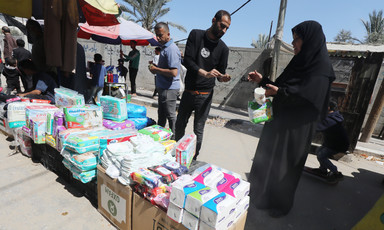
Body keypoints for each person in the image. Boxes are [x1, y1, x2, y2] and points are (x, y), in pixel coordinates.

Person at [247, 20, 335, 218]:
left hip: (297, 129)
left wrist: (281, 93)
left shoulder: (321, 68)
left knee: (284, 166)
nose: (293, 43)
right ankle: (258, 195)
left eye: (297, 39)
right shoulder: (298, 62)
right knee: (267, 157)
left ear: (310, 40)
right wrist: (263, 81)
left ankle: (279, 204)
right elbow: (282, 88)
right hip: (279, 121)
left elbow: (311, 98)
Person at [175, 10, 232, 160]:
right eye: (222, 25)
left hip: (205, 96)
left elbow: (219, 74)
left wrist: (222, 78)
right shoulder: (196, 35)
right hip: (188, 92)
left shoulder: (223, 49)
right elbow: (187, 60)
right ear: (214, 20)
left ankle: (192, 159)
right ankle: (176, 155)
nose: (224, 30)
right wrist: (204, 72)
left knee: (198, 130)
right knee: (179, 125)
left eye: (227, 28)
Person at [149, 22, 181, 137]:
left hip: (169, 89)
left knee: (171, 116)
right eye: (156, 35)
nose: (158, 38)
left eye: (160, 35)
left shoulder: (171, 49)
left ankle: (173, 139)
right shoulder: (164, 48)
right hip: (163, 87)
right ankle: (161, 137)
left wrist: (156, 70)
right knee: (161, 115)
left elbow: (174, 72)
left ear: (168, 34)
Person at [313, 100, 349, 183]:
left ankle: (336, 173)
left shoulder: (330, 119)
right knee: (318, 151)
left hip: (338, 145)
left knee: (321, 156)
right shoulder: (333, 116)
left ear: (328, 107)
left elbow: (316, 128)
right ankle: (323, 170)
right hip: (331, 142)